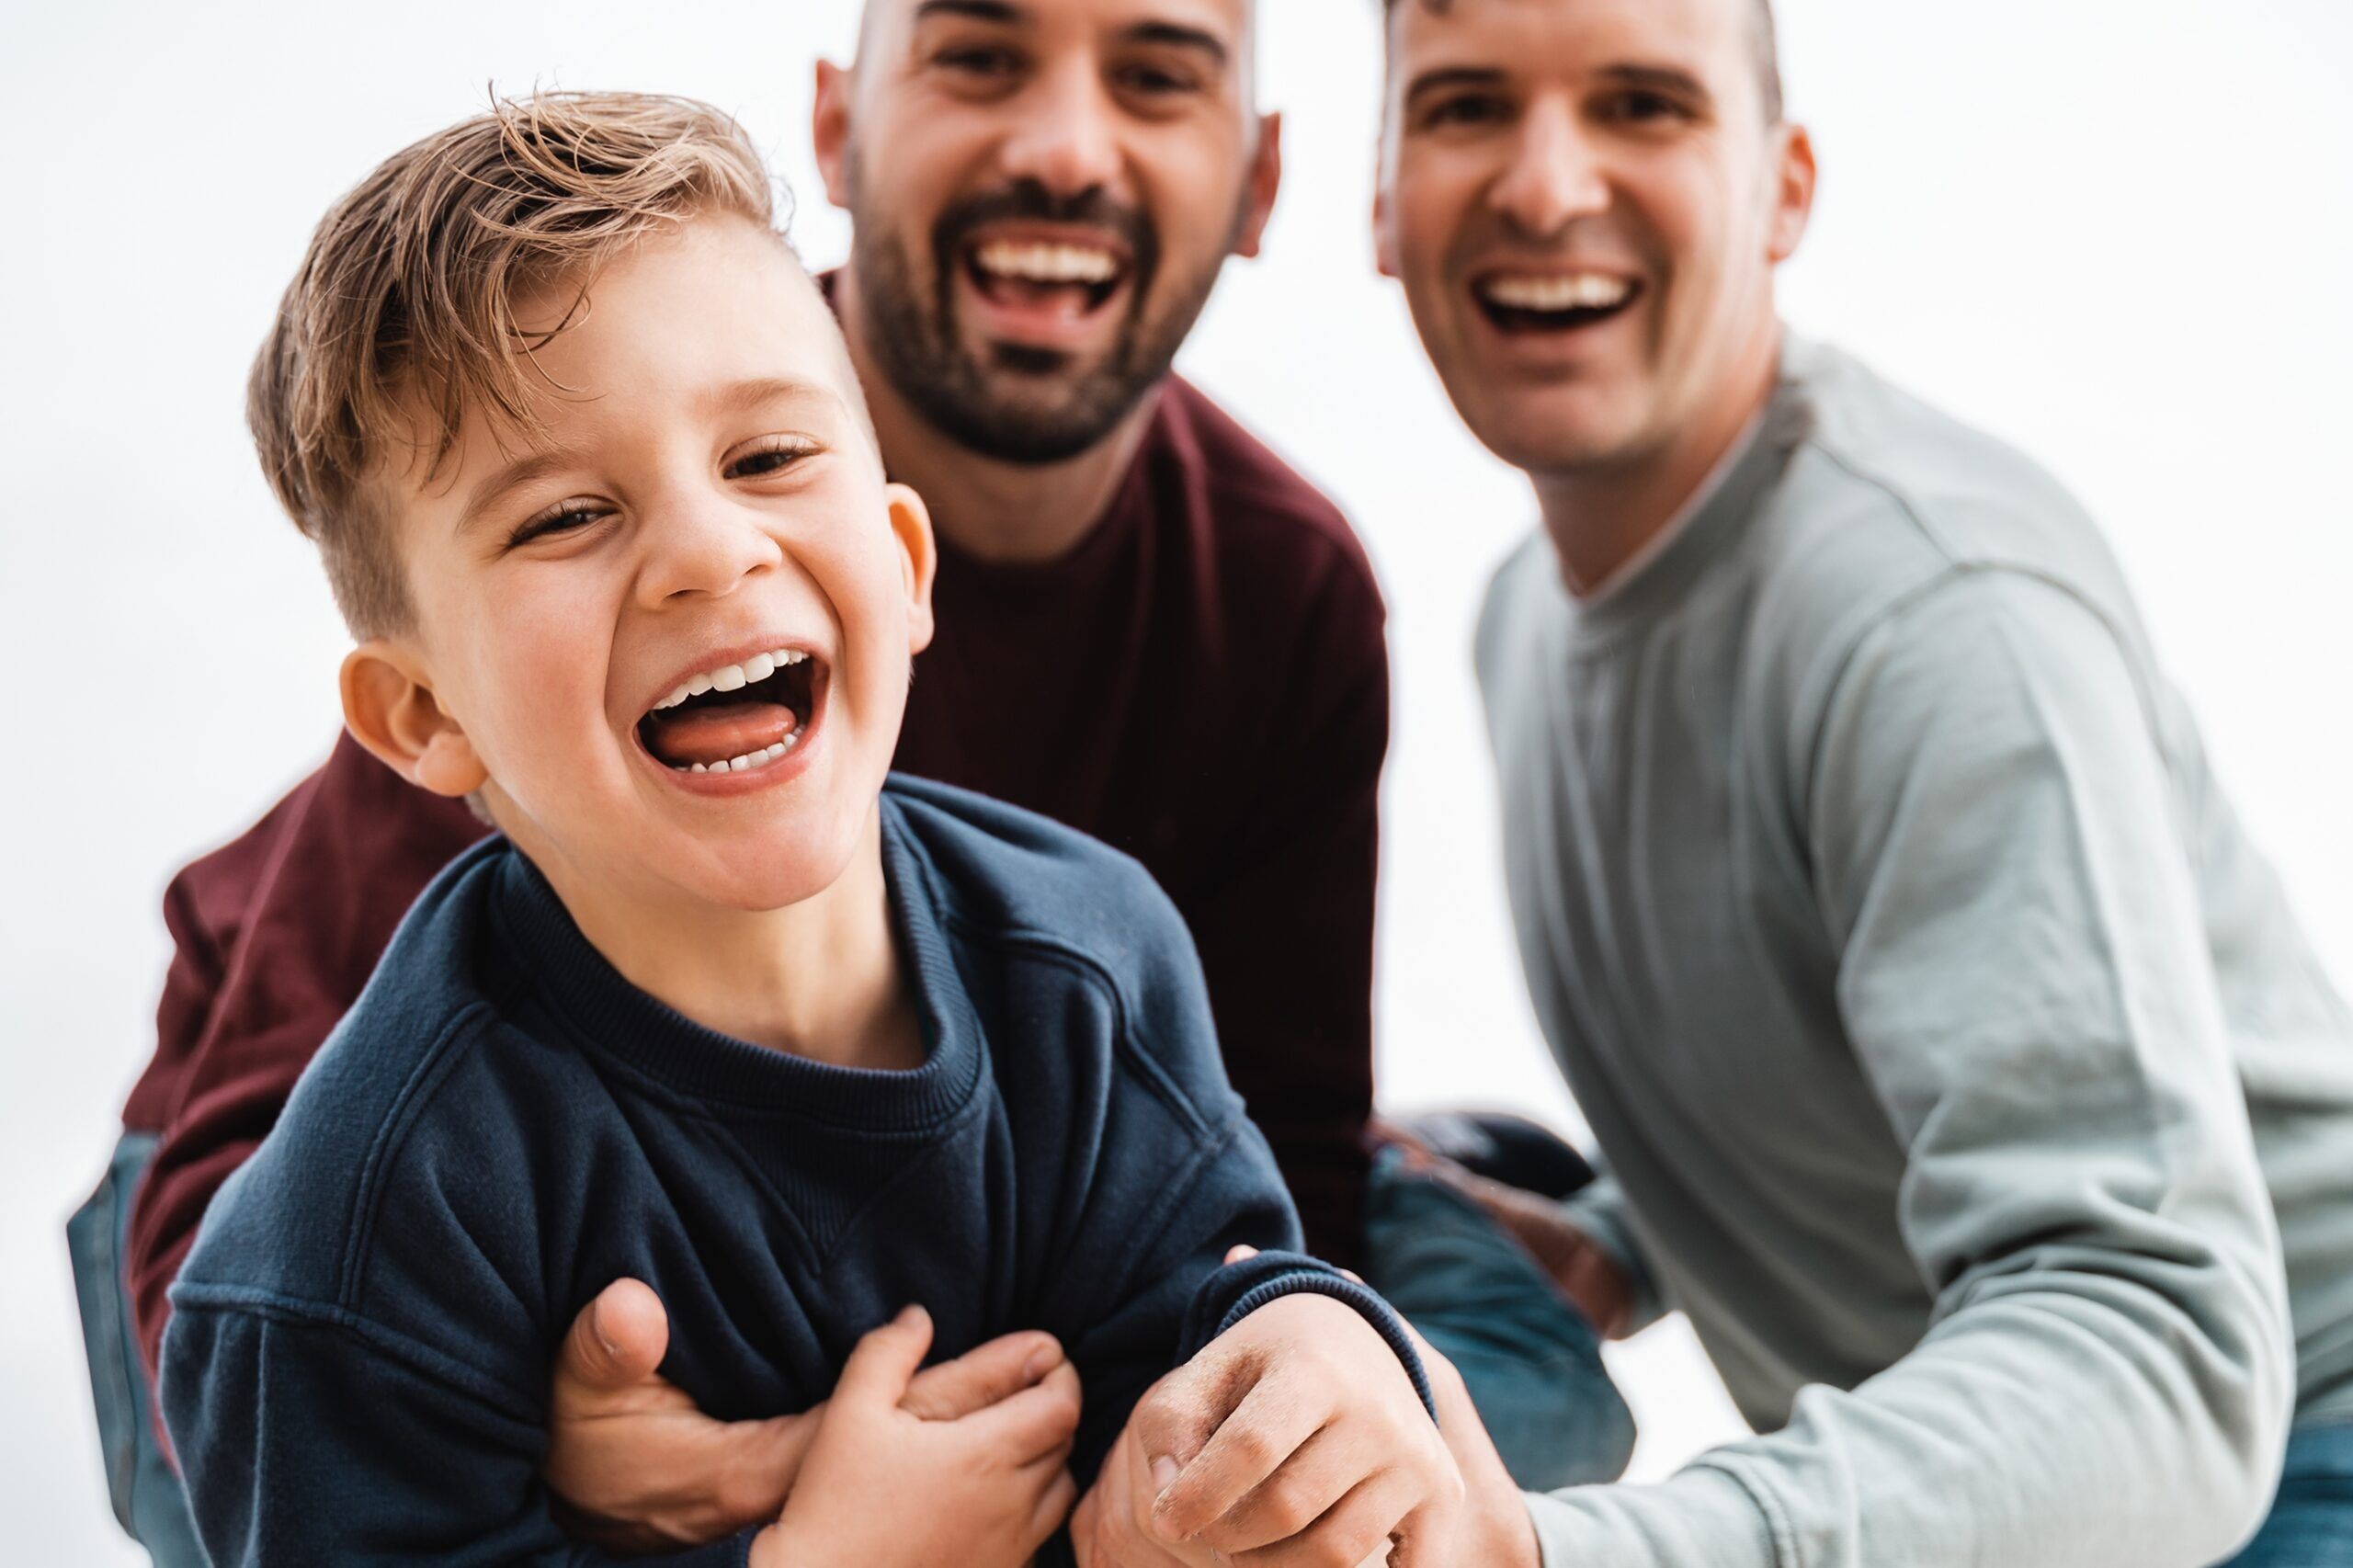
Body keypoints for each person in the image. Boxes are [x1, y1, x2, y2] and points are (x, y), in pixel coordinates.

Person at [76, 5, 1631, 1556]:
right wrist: (731, 1523)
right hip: (259, 1162)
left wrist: (1305, 1347)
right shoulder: (367, 1204)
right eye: (566, 518)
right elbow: (261, 1303)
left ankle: (1431, 1172)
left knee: (1455, 1417)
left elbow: (1231, 1244)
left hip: (944, 1207)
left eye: (764, 462)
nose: (706, 549)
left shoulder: (1134, 861)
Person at [1121, 0, 2351, 1563]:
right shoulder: (1524, 619)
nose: (1548, 184)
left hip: (2285, 1456)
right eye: (1468, 105)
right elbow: (1877, 1039)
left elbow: (2167, 1343)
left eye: (1642, 103)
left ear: (1786, 185)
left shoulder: (1938, 615)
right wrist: (1630, 1240)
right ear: (1379, 195)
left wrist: (1568, 1553)